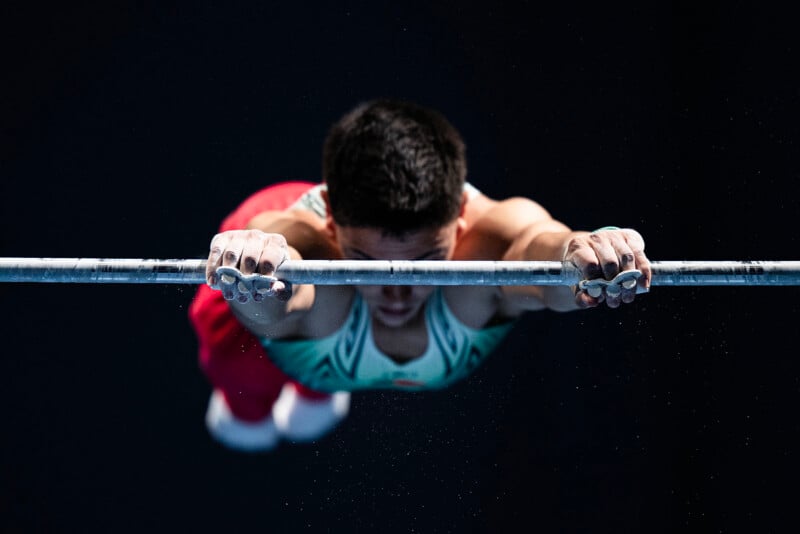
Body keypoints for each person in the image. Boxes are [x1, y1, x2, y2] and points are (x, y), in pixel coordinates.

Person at [188, 98, 650, 452]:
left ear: (461, 222)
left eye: (427, 258)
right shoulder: (307, 244)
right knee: (251, 321)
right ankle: (260, 400)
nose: (397, 291)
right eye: (367, 264)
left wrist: (584, 252)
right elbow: (277, 293)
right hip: (276, 234)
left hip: (325, 307)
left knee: (322, 313)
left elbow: (538, 249)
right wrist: (255, 264)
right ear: (332, 225)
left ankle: (315, 387)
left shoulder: (485, 242)